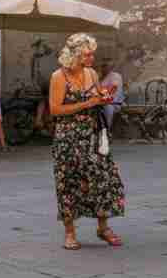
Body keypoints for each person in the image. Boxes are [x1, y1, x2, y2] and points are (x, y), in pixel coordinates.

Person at [49, 33, 126, 250]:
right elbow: (55, 109)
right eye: (88, 54)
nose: (92, 58)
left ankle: (103, 227)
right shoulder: (59, 77)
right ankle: (70, 232)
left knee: (103, 178)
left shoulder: (91, 73)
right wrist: (88, 103)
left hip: (92, 135)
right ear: (74, 55)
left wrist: (103, 97)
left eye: (92, 54)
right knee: (69, 183)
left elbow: (95, 96)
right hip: (68, 138)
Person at [99, 59, 125, 129]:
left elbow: (114, 91)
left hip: (113, 103)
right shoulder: (102, 78)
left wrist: (101, 98)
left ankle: (107, 130)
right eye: (102, 66)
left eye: (105, 66)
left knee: (107, 107)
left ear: (111, 67)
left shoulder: (115, 76)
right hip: (102, 102)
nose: (103, 68)